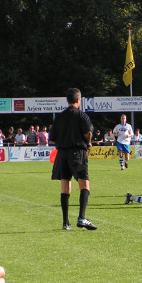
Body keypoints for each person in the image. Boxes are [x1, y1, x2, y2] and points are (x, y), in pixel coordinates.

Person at [50, 88, 97, 230]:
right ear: (78, 100)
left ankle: (65, 223)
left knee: (65, 187)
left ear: (67, 100)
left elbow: (52, 139)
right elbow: (89, 131)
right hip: (77, 153)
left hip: (62, 154)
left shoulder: (59, 117)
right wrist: (88, 143)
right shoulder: (82, 115)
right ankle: (82, 218)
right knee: (85, 185)